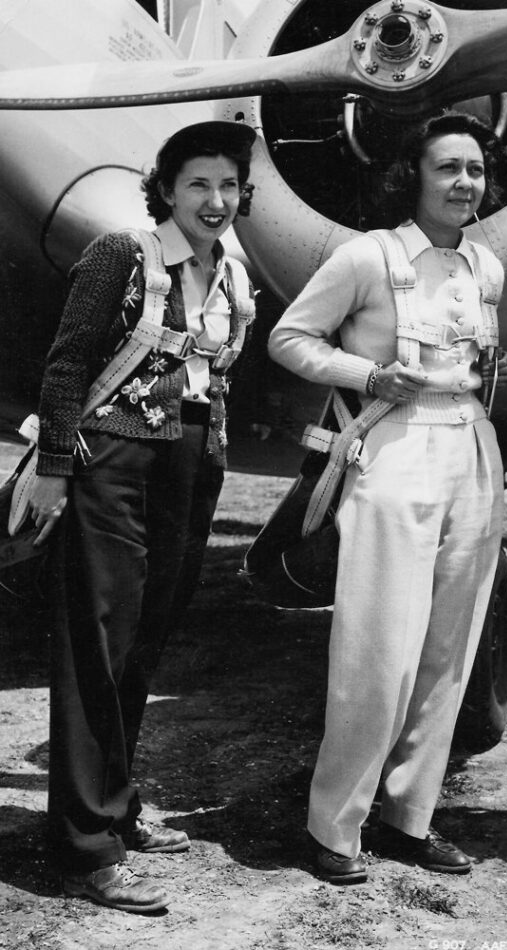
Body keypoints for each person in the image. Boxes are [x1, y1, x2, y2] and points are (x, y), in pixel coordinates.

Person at [268, 112, 507, 885]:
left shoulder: (487, 267)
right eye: (447, 168)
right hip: (394, 447)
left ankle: (410, 818)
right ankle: (334, 826)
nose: (463, 183)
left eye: (474, 169)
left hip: (471, 448)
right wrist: (369, 377)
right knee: (379, 647)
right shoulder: (368, 257)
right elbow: (289, 338)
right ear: (413, 174)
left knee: (449, 651)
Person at [29, 120, 256, 913]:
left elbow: (217, 376)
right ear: (165, 188)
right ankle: (85, 844)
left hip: (192, 465)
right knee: (98, 639)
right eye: (197, 184)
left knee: (146, 636)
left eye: (228, 185)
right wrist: (56, 470)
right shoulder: (121, 255)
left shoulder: (232, 270)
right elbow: (63, 367)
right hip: (110, 463)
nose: (215, 200)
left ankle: (117, 807)